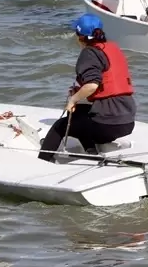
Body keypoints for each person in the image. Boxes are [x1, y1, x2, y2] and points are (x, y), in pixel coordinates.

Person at [38, 14, 136, 162]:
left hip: (107, 125)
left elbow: (92, 85)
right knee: (79, 113)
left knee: (61, 125)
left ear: (80, 37)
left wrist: (72, 99)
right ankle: (91, 150)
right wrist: (79, 93)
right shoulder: (112, 48)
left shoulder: (89, 53)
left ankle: (42, 161)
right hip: (127, 121)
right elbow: (106, 85)